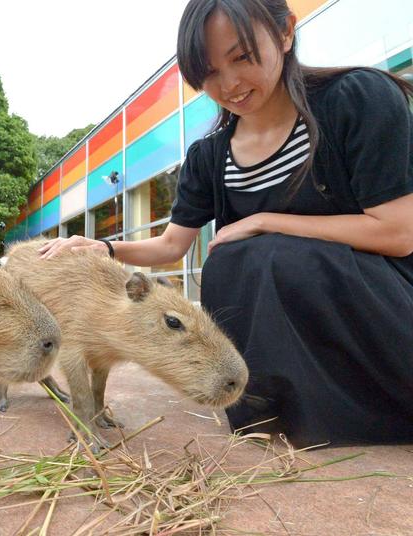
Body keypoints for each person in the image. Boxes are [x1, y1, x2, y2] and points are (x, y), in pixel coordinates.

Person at [39, 0, 413, 448]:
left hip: (380, 309)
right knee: (230, 261)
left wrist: (265, 221)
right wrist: (106, 249)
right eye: (209, 72)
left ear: (286, 33)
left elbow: (397, 232)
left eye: (242, 57)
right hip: (294, 319)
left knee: (270, 254)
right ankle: (272, 408)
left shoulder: (358, 97)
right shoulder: (210, 155)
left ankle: (363, 410)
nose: (230, 84)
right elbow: (171, 246)